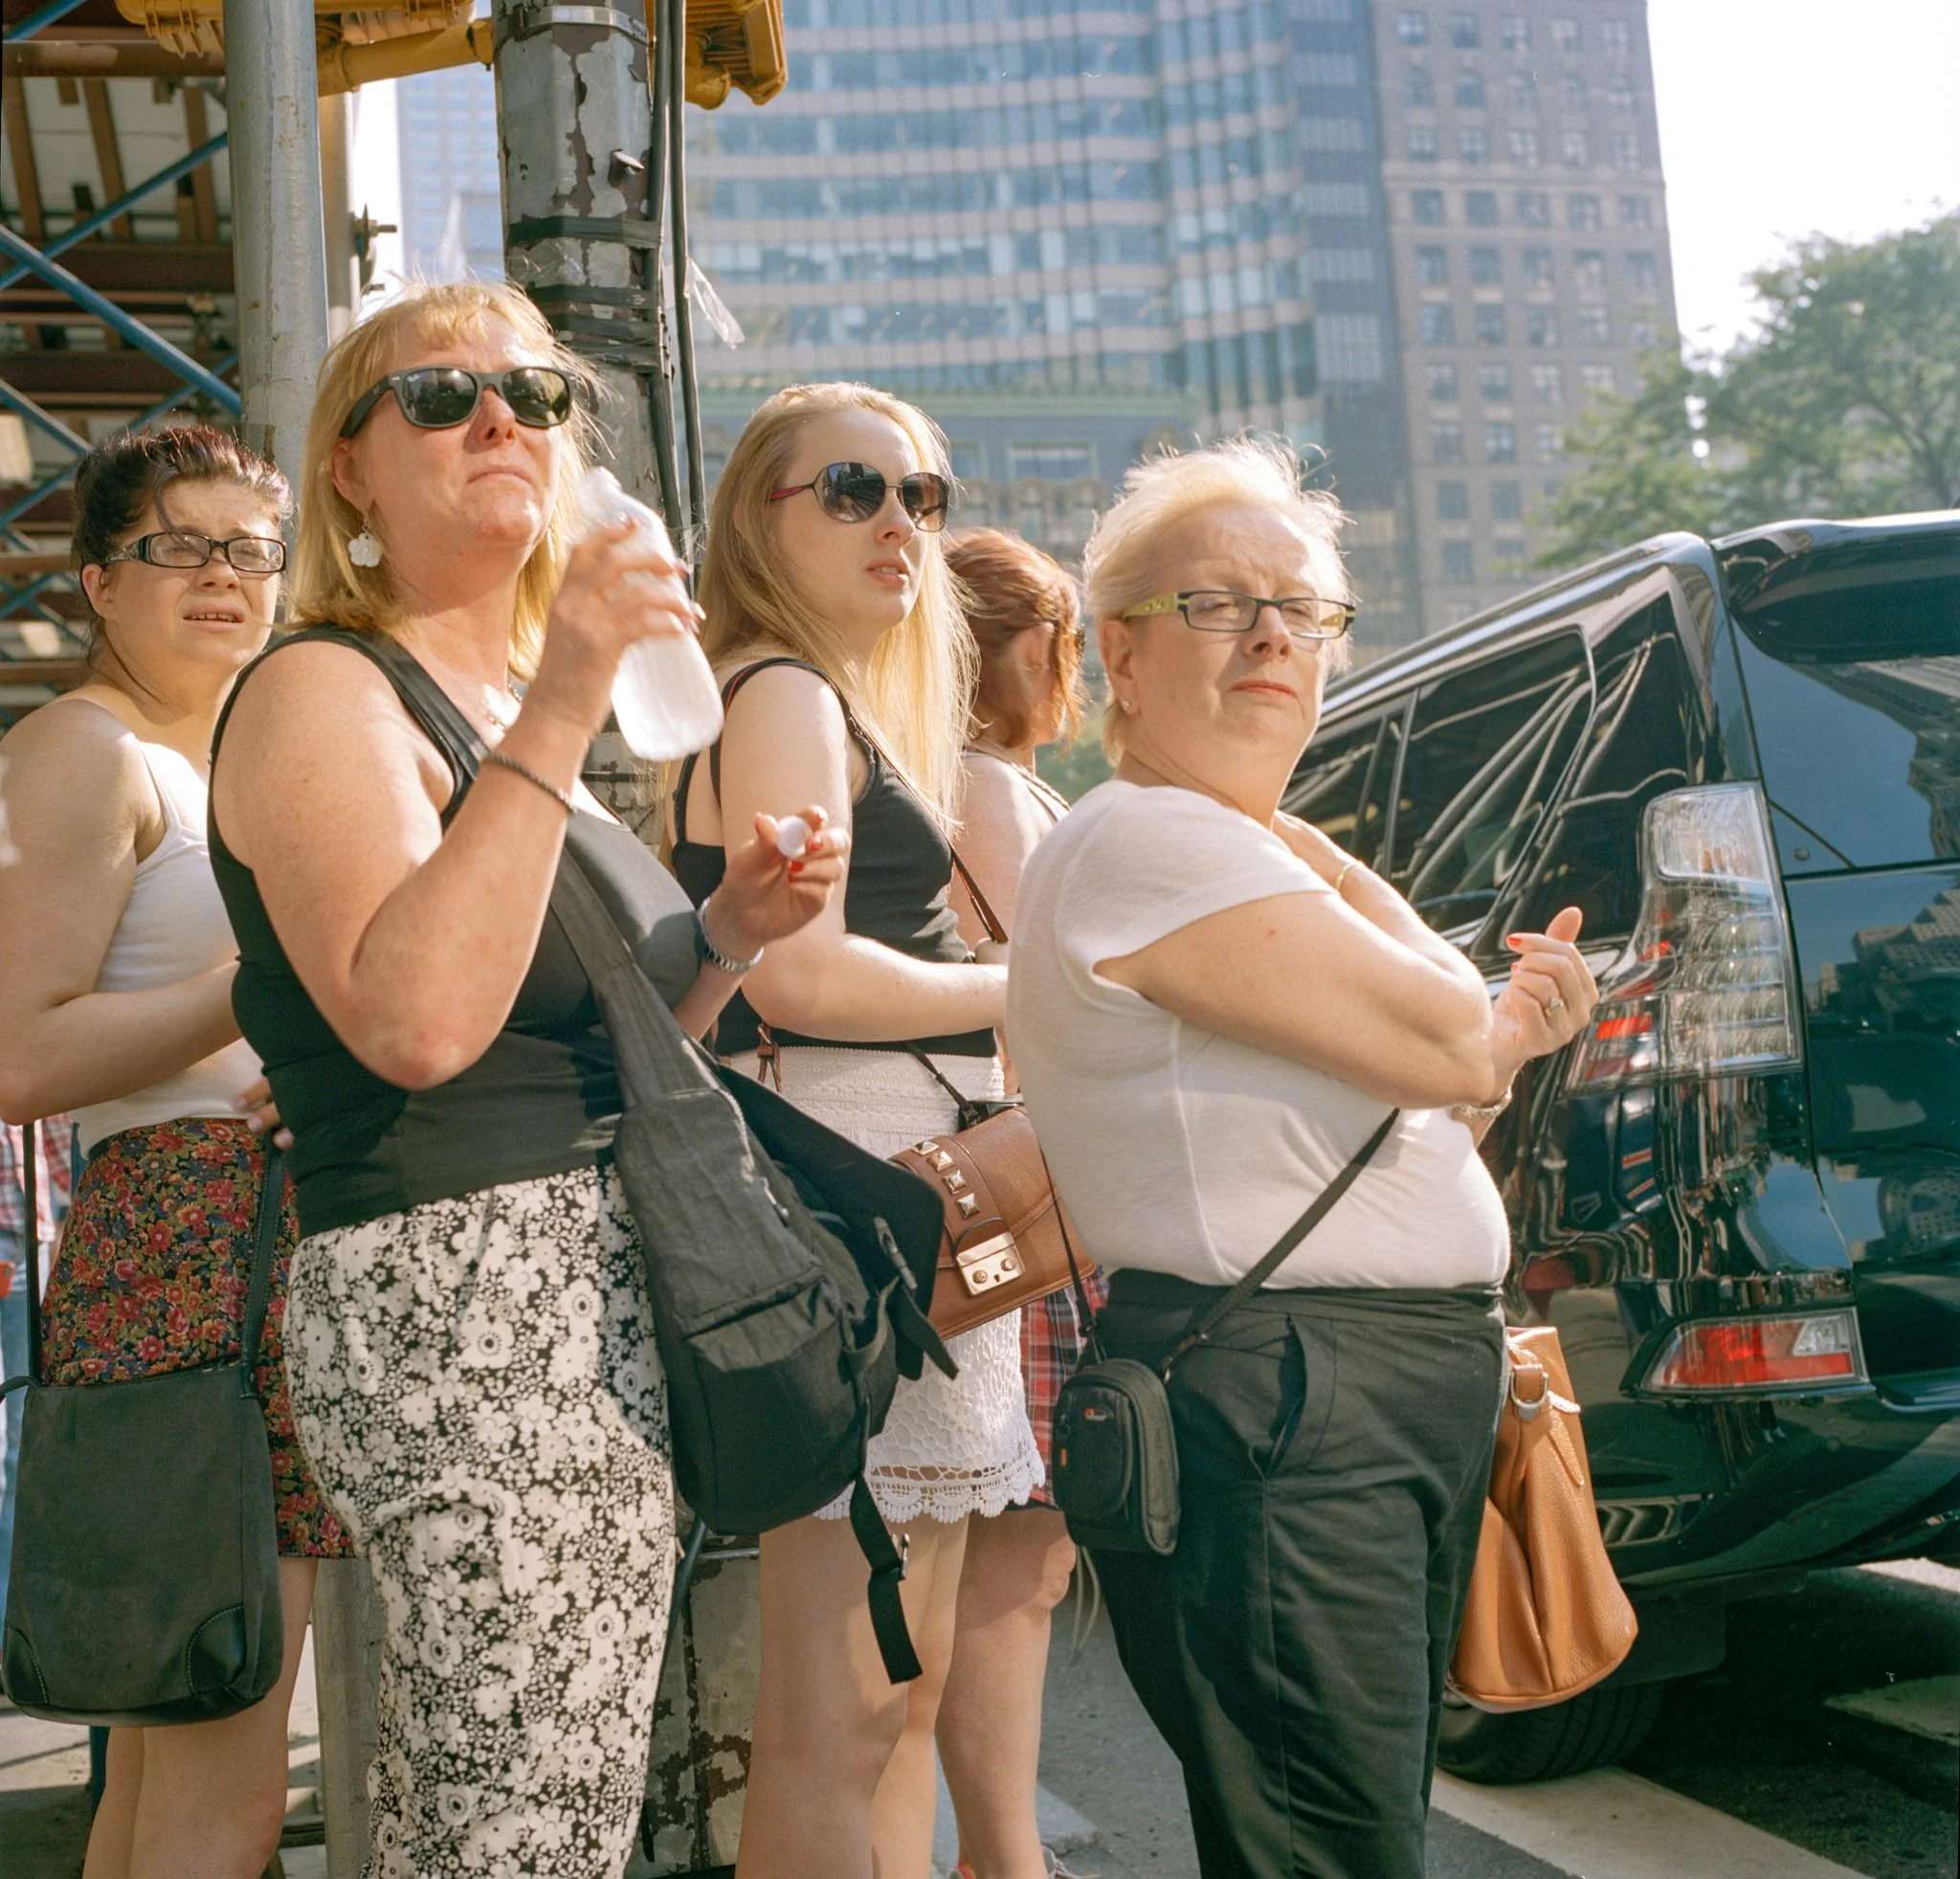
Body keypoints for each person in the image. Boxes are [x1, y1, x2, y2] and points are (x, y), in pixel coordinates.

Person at [205, 281, 845, 1877]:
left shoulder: (512, 709)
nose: (501, 416)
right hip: (466, 1293)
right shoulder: (325, 689)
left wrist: (729, 935)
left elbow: (595, 1039)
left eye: (538, 395)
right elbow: (418, 1024)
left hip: (593, 1292)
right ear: (348, 469)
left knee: (541, 1814)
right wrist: (564, 696)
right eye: (440, 395)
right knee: (514, 1830)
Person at [1008, 438, 1600, 1879]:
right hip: (1289, 1397)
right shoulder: (1152, 839)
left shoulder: (1228, 849)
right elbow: (1452, 1036)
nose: (1272, 635)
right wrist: (1479, 1023)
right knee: (1331, 1845)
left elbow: (1432, 1099)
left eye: (1302, 608)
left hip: (1337, 1391)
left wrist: (1308, 853)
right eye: (1218, 603)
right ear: (1120, 654)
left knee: (1341, 1824)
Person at [670, 384, 1042, 1878]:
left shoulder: (817, 692)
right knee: (846, 1698)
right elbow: (802, 974)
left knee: (904, 1681)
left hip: (907, 1182)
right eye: (852, 488)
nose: (901, 522)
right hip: (862, 1183)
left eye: (923, 495)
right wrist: (1031, 982)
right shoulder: (782, 691)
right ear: (759, 518)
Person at [0, 424, 344, 1879]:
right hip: (182, 1240)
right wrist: (272, 979)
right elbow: (20, 1055)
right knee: (224, 1771)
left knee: (174, 1750)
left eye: (250, 548)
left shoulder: (224, 754)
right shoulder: (81, 747)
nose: (222, 575)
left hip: (241, 1241)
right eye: (178, 546)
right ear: (98, 580)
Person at [935, 529, 1105, 1879]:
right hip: (1025, 1199)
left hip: (1005, 1190)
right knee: (1013, 1557)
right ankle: (1005, 1856)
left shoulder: (961, 780)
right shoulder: (993, 790)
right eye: (1066, 637)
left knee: (1008, 1556)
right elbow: (1033, 1002)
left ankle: (1001, 1852)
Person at [0, 1115, 76, 1627]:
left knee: (26, 1438)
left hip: (25, 1240)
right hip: (24, 1236)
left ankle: (11, 1621)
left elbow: (60, 1141)